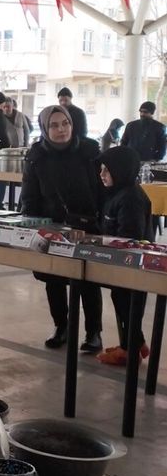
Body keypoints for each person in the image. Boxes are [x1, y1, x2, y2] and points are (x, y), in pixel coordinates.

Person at [21, 105, 103, 352]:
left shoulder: (90, 152)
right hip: (52, 225)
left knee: (89, 278)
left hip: (88, 226)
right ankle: (62, 326)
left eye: (65, 123)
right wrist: (33, 224)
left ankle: (93, 333)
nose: (61, 129)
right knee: (53, 278)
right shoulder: (36, 156)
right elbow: (30, 194)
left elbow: (102, 189)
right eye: (54, 125)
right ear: (45, 128)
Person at [95, 146, 154, 366]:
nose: (102, 175)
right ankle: (134, 343)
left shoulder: (131, 197)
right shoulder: (117, 193)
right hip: (119, 263)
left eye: (106, 171)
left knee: (130, 304)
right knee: (121, 301)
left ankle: (129, 350)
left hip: (131, 263)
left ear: (120, 170)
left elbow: (131, 236)